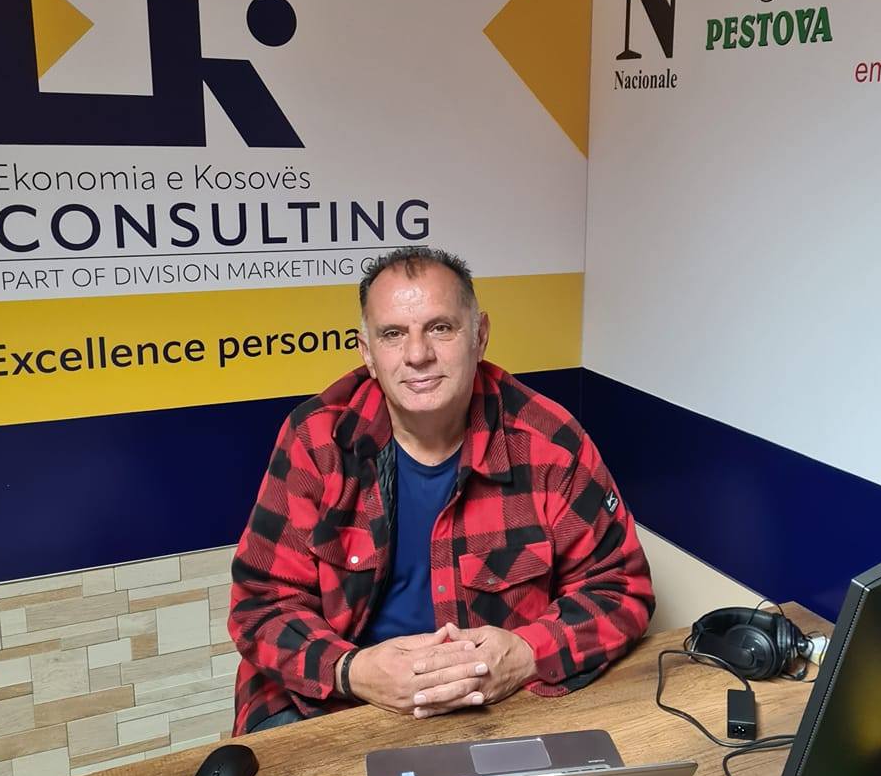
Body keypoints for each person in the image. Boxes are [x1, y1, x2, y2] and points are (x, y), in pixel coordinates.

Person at [228, 248, 653, 735]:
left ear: (480, 335)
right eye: (393, 334)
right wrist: (353, 671)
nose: (417, 355)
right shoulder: (316, 440)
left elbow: (621, 588)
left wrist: (526, 654)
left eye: (440, 328)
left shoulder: (550, 442)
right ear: (367, 352)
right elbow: (260, 604)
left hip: (496, 703)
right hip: (340, 702)